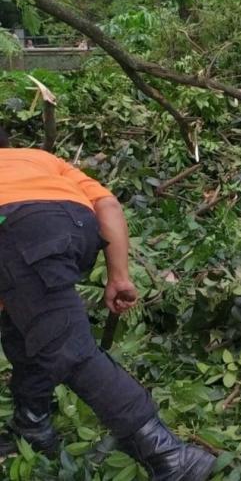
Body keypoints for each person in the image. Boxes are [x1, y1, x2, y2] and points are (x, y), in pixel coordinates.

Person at [0, 127, 215, 480]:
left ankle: (169, 454)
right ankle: (32, 423)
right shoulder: (40, 159)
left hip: (18, 228)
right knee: (28, 325)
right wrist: (119, 276)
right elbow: (107, 203)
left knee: (67, 348)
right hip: (74, 226)